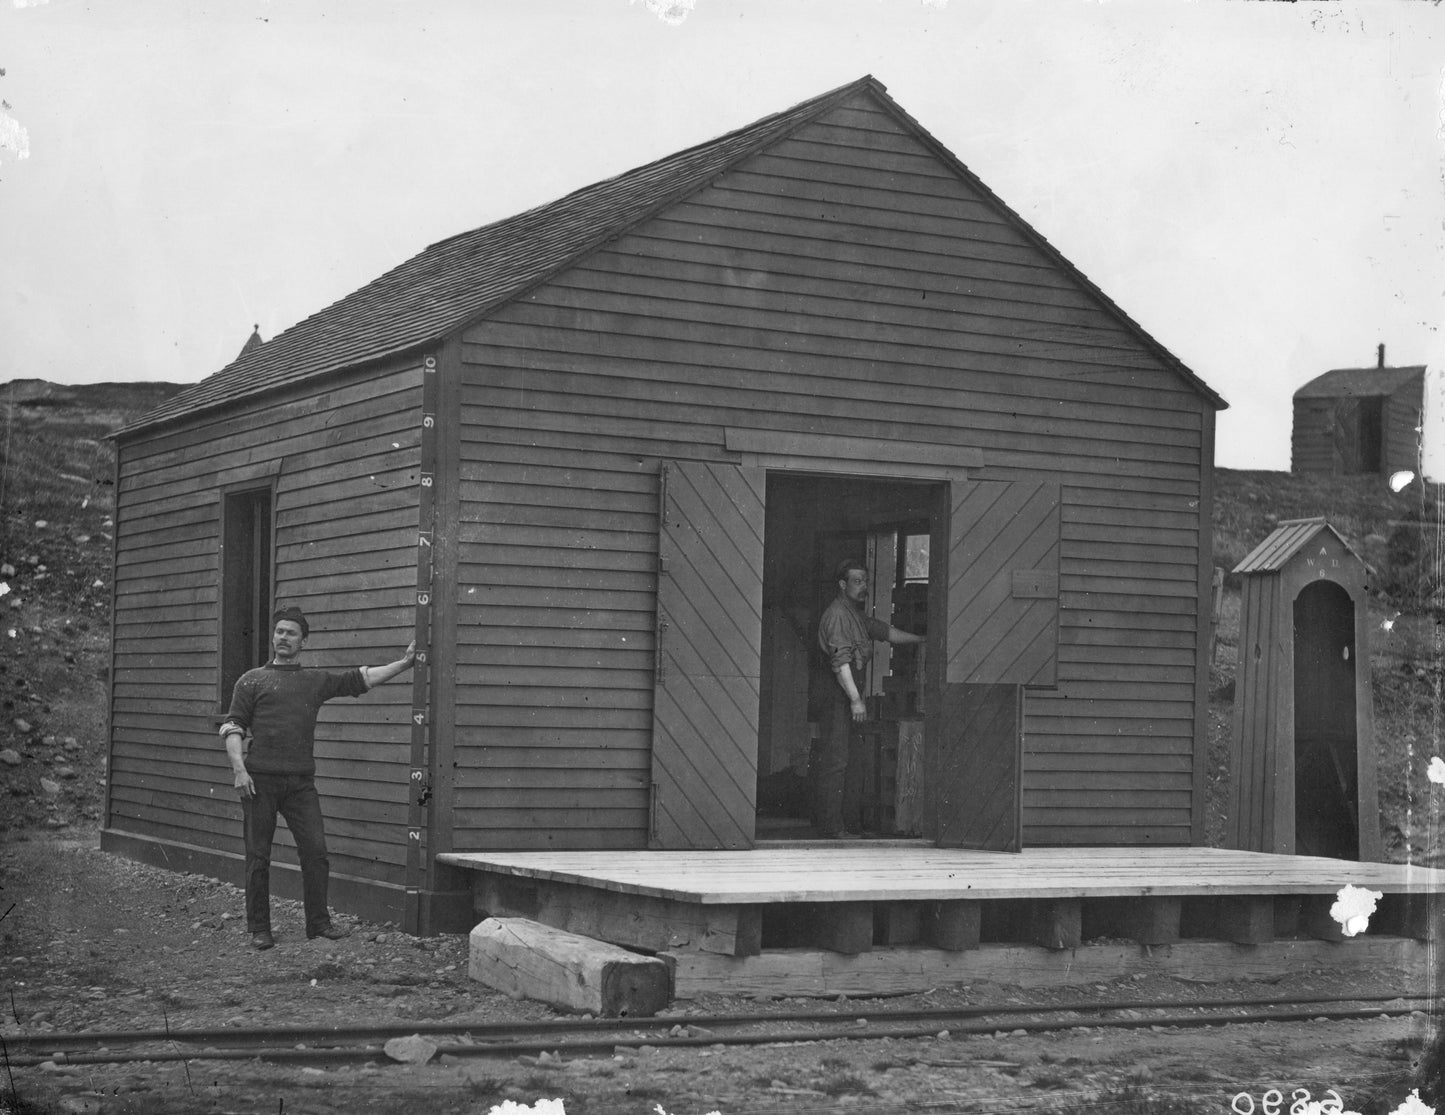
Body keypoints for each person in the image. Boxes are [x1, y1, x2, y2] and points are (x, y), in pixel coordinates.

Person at [221, 606, 416, 950]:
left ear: (303, 641)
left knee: (316, 853)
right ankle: (259, 929)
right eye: (279, 631)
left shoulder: (313, 681)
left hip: (300, 784)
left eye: (291, 633)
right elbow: (233, 726)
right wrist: (239, 769)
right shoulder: (251, 680)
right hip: (259, 782)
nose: (283, 637)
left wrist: (405, 663)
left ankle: (318, 924)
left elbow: (361, 679)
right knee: (258, 857)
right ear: (273, 636)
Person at [813, 558, 924, 838]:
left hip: (849, 696)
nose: (863, 587)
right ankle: (831, 828)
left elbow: (886, 632)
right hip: (838, 696)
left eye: (866, 581)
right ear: (843, 584)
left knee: (854, 761)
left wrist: (923, 639)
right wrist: (855, 700)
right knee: (837, 761)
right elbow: (840, 664)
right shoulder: (837, 615)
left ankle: (849, 826)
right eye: (857, 581)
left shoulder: (856, 615)